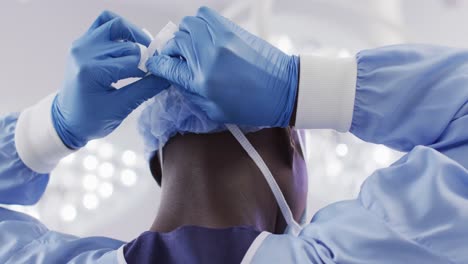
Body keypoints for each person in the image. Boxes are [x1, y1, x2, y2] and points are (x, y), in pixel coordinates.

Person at [145, 6, 468, 263]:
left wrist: (89, 135)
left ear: (157, 167)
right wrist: (301, 88)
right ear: (289, 142)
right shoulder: (350, 251)